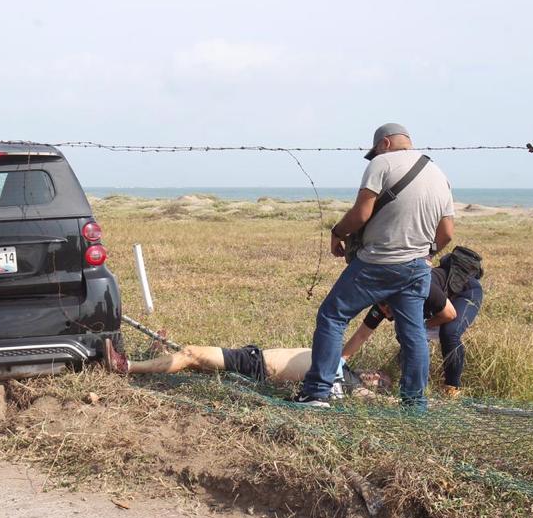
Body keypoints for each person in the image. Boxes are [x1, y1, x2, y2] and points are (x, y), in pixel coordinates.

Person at [292, 123, 454, 409]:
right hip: (417, 266)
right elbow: (447, 234)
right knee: (413, 333)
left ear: (385, 144)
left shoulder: (381, 163)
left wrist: (337, 232)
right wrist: (426, 255)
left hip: (378, 263)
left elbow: (361, 213)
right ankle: (414, 405)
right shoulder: (438, 173)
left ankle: (317, 393)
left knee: (332, 315)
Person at [341, 249, 484, 398]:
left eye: (390, 309)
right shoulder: (383, 304)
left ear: (398, 301)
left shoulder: (422, 287)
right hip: (435, 307)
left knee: (449, 333)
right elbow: (361, 335)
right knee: (406, 333)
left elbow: (450, 314)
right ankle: (416, 384)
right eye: (384, 311)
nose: (387, 314)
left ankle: (452, 388)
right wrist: (340, 361)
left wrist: (424, 325)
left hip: (464, 291)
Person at [103, 338, 370, 396]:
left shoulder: (348, 384)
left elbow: (370, 398)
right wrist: (378, 313)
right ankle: (158, 358)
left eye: (380, 380)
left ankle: (126, 366)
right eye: (377, 373)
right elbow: (362, 334)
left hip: (257, 367)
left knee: (191, 354)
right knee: (196, 362)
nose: (375, 375)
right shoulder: (342, 362)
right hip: (254, 356)